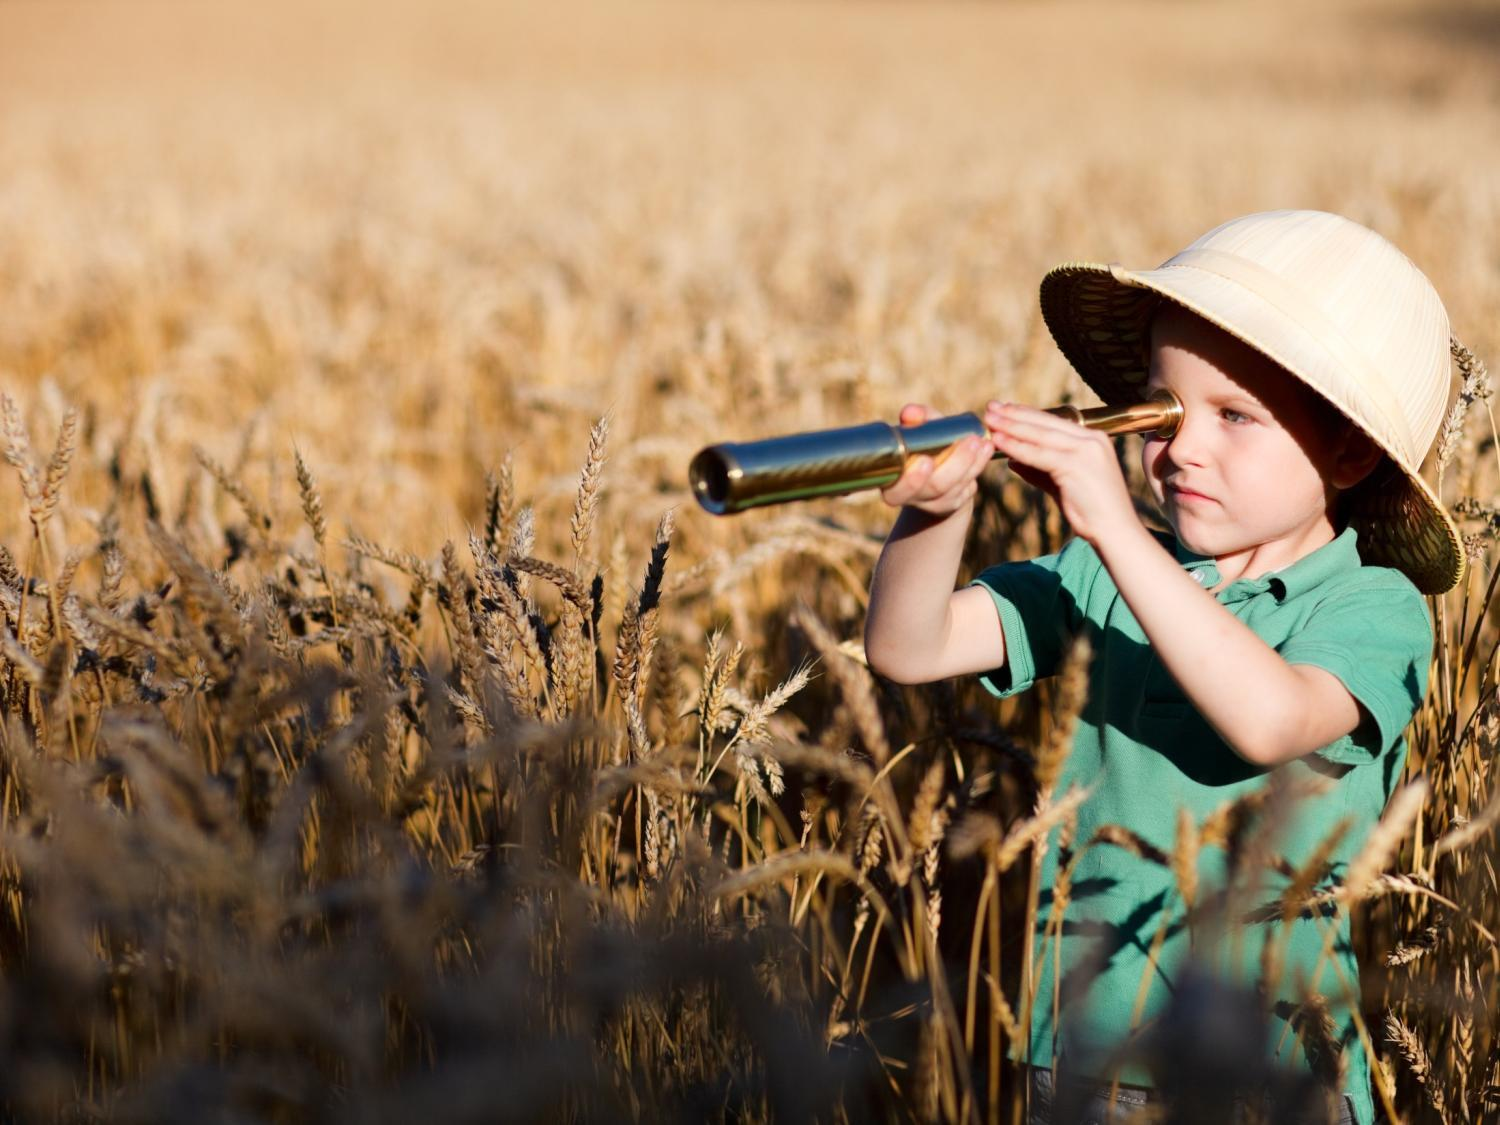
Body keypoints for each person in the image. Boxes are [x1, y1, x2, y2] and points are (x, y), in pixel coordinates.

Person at [863, 210, 1466, 1125]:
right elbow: (908, 648)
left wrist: (1110, 524)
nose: (1180, 446)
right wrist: (935, 515)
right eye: (1162, 409)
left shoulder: (1372, 608)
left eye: (1233, 417)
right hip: (1085, 1056)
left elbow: (1270, 718)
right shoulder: (1098, 575)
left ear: (1348, 451)